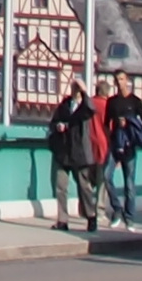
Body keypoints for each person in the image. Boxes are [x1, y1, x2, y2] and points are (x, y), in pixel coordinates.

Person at [43, 76, 100, 232]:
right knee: (60, 186)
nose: (75, 90)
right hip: (63, 151)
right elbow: (53, 123)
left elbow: (91, 109)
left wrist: (85, 91)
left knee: (84, 187)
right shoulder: (64, 106)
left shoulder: (85, 107)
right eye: (73, 87)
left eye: (77, 88)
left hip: (79, 152)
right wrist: (58, 126)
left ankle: (91, 215)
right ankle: (62, 220)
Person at [108, 76, 142, 232]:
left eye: (121, 79)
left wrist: (129, 122)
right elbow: (106, 123)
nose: (119, 82)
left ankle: (129, 218)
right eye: (117, 80)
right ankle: (117, 210)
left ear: (126, 81)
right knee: (107, 176)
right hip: (115, 145)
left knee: (129, 184)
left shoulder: (135, 101)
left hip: (130, 147)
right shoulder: (112, 101)